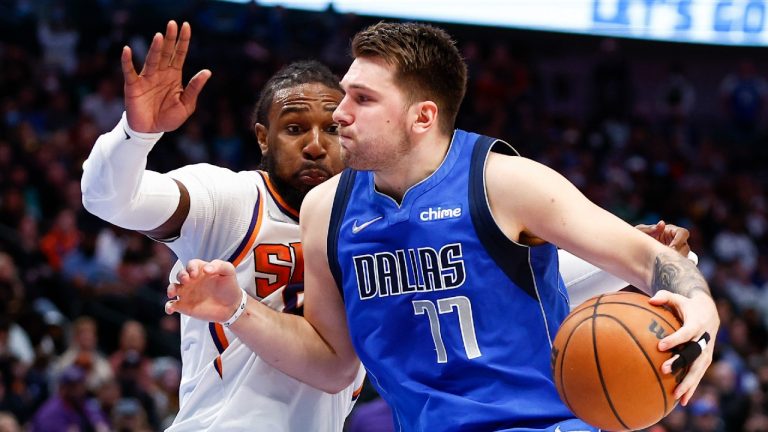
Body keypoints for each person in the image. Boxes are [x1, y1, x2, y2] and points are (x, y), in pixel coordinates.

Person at [166, 22, 719, 431]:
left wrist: (700, 306)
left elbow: (652, 258)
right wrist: (234, 308)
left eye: (362, 99)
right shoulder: (326, 209)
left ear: (422, 116)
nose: (339, 114)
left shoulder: (506, 183)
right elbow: (333, 364)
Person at [80, 21, 365, 431]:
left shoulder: (371, 226)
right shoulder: (230, 199)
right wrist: (137, 134)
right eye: (295, 128)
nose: (316, 145)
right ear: (264, 139)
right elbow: (111, 199)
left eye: (333, 129)